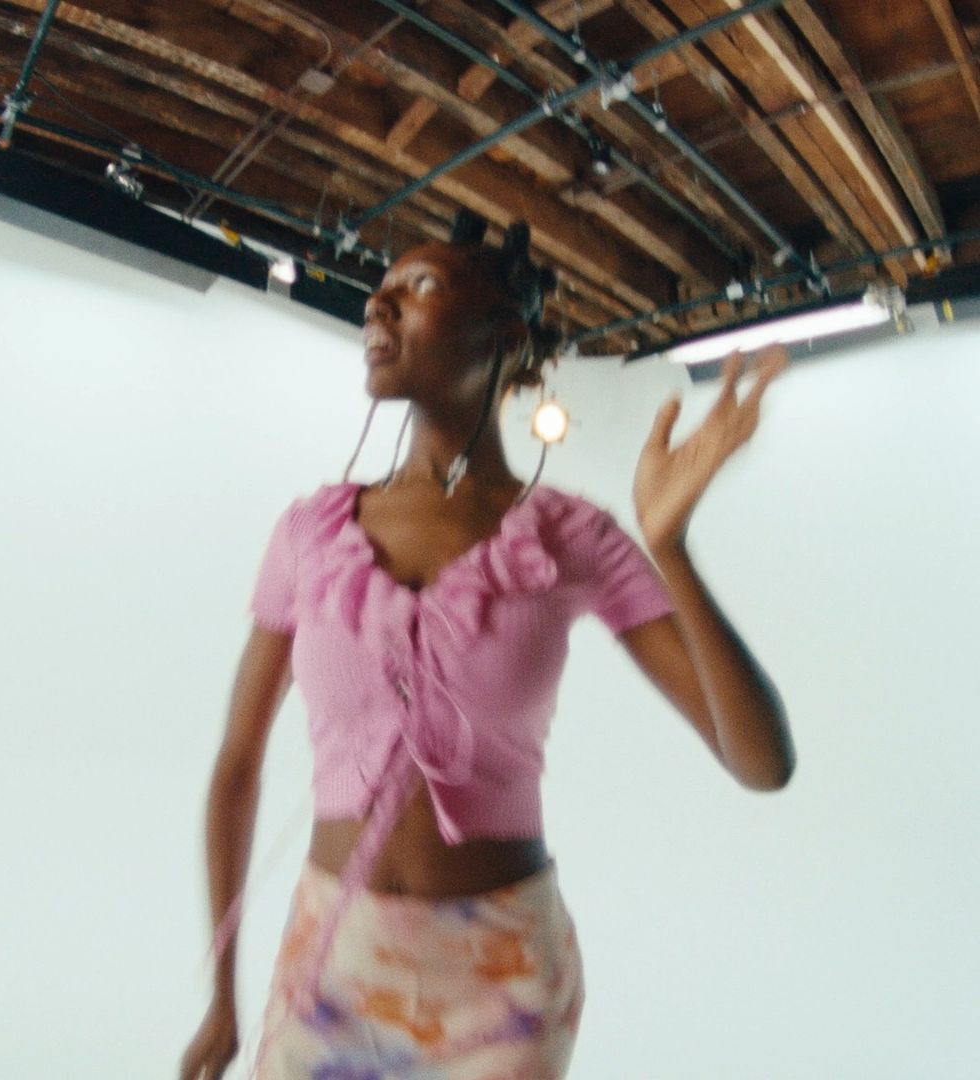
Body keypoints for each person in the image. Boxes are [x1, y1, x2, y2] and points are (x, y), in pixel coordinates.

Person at [180, 214, 795, 1080]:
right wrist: (221, 993)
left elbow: (762, 764)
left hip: (502, 987)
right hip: (333, 966)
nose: (379, 305)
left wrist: (671, 547)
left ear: (505, 338)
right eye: (381, 289)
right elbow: (237, 766)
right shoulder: (308, 534)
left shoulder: (573, 538)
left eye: (420, 287)